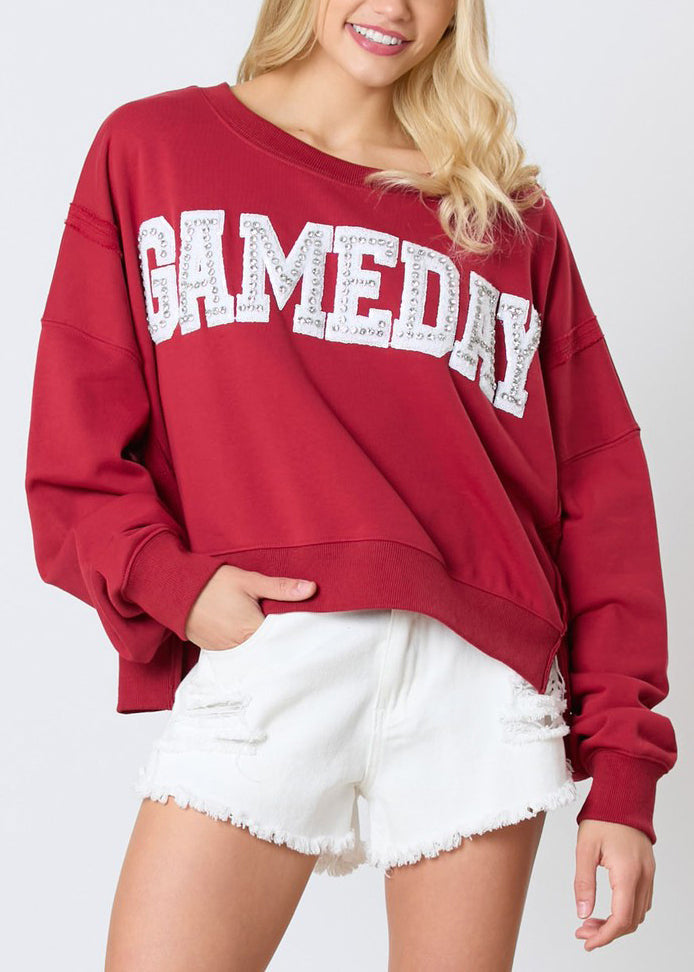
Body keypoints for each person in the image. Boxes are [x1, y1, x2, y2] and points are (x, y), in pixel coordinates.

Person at [25, 1, 678, 968]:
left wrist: (623, 772)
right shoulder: (153, 149)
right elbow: (73, 446)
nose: (394, 7)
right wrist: (174, 585)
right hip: (275, 648)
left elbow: (601, 485)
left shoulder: (502, 213)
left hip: (479, 683)